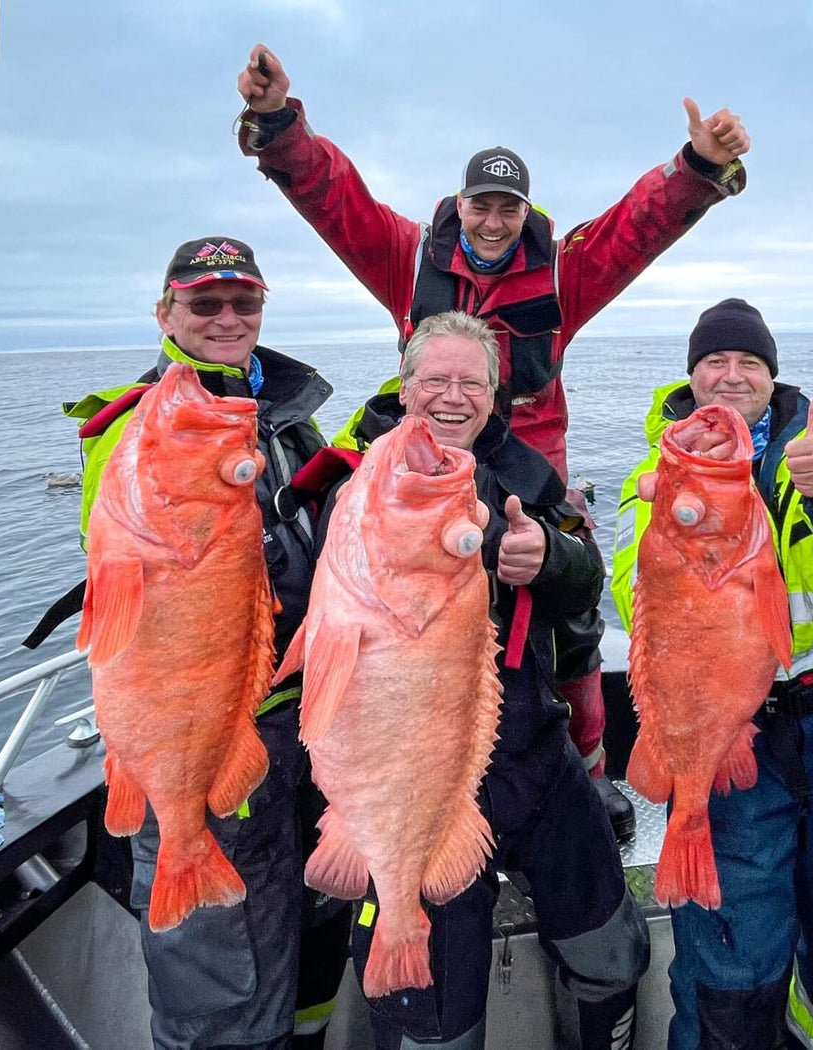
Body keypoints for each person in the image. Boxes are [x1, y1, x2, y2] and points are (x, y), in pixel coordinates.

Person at [234, 45, 751, 842]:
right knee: (405, 627)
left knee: (571, 630)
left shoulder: (564, 274)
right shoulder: (409, 259)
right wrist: (276, 125)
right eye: (482, 205)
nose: (494, 222)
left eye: (509, 208)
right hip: (427, 471)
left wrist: (698, 168)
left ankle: (587, 773)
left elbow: (636, 230)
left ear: (524, 213)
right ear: (461, 204)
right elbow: (336, 202)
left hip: (529, 473)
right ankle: (391, 779)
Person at [296, 311, 649, 1050]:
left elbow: (587, 576)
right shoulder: (359, 475)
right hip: (407, 772)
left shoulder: (529, 477)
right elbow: (321, 599)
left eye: (473, 383)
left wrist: (548, 554)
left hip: (531, 754)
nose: (453, 397)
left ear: (495, 394)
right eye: (436, 380)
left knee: (611, 950)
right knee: (432, 1015)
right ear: (404, 384)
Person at [63, 238, 347, 1050]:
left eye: (243, 301)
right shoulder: (134, 427)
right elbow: (113, 544)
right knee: (224, 983)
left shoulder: (289, 418)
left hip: (301, 734)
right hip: (208, 729)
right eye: (203, 302)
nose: (226, 317)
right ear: (166, 314)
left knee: (311, 943)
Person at [611, 299, 813, 1050]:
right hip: (733, 729)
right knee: (734, 952)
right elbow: (633, 601)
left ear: (772, 377)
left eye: (750, 363)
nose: (732, 376)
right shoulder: (654, 478)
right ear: (692, 376)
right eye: (715, 362)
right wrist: (677, 533)